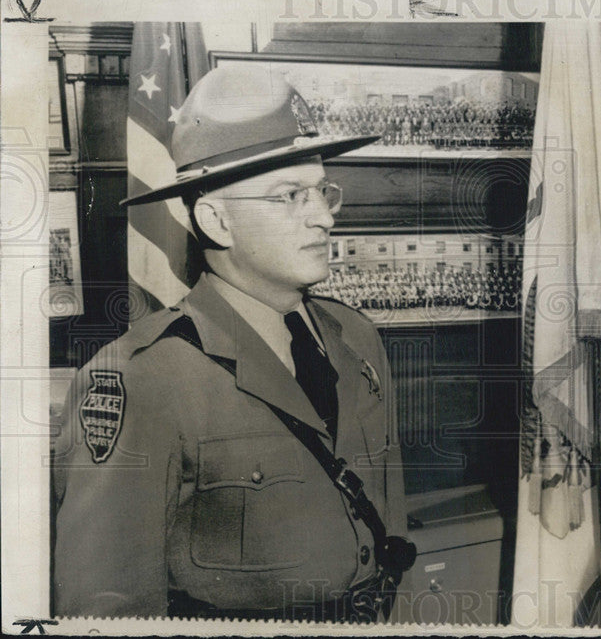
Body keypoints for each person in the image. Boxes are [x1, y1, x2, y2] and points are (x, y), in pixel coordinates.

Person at [51, 66, 413, 621]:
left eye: (322, 191)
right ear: (217, 221)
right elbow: (107, 608)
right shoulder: (141, 377)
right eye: (289, 196)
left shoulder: (355, 336)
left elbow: (392, 539)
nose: (323, 217)